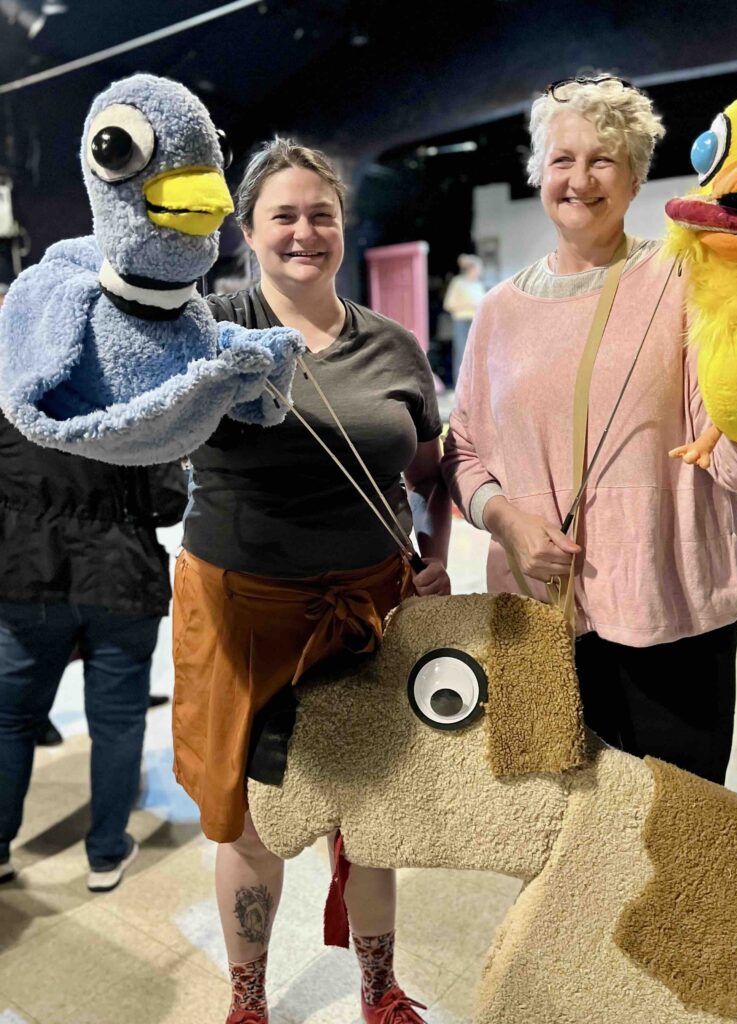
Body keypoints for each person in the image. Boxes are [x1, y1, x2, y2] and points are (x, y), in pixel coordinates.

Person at [442, 75, 737, 788]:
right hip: (538, 616)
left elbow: (724, 453)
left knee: (675, 837)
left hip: (667, 609)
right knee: (553, 834)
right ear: (538, 172)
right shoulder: (498, 314)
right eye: (562, 159)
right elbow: (463, 450)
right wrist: (504, 518)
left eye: (602, 159)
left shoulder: (684, 281)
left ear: (635, 175)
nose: (579, 179)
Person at [175, 139, 450, 1024]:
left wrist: (434, 551)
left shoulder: (394, 346)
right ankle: (247, 1002)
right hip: (245, 613)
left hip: (369, 608)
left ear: (344, 225)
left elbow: (431, 466)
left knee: (370, 813)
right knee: (254, 821)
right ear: (247, 232)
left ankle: (380, 989)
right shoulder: (207, 329)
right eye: (283, 216)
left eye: (320, 214)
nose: (304, 232)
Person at [0, 410, 186, 891]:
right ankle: (105, 855)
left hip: (26, 570)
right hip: (120, 572)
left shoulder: (14, 392)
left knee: (12, 721)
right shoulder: (135, 400)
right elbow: (169, 501)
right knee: (118, 723)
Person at [442, 254, 486, 385]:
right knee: (462, 353)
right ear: (471, 269)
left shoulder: (478, 284)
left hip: (476, 322)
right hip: (461, 321)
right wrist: (469, 305)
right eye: (478, 268)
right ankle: (460, 388)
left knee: (476, 354)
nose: (480, 271)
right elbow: (448, 304)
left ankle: (474, 388)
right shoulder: (458, 282)